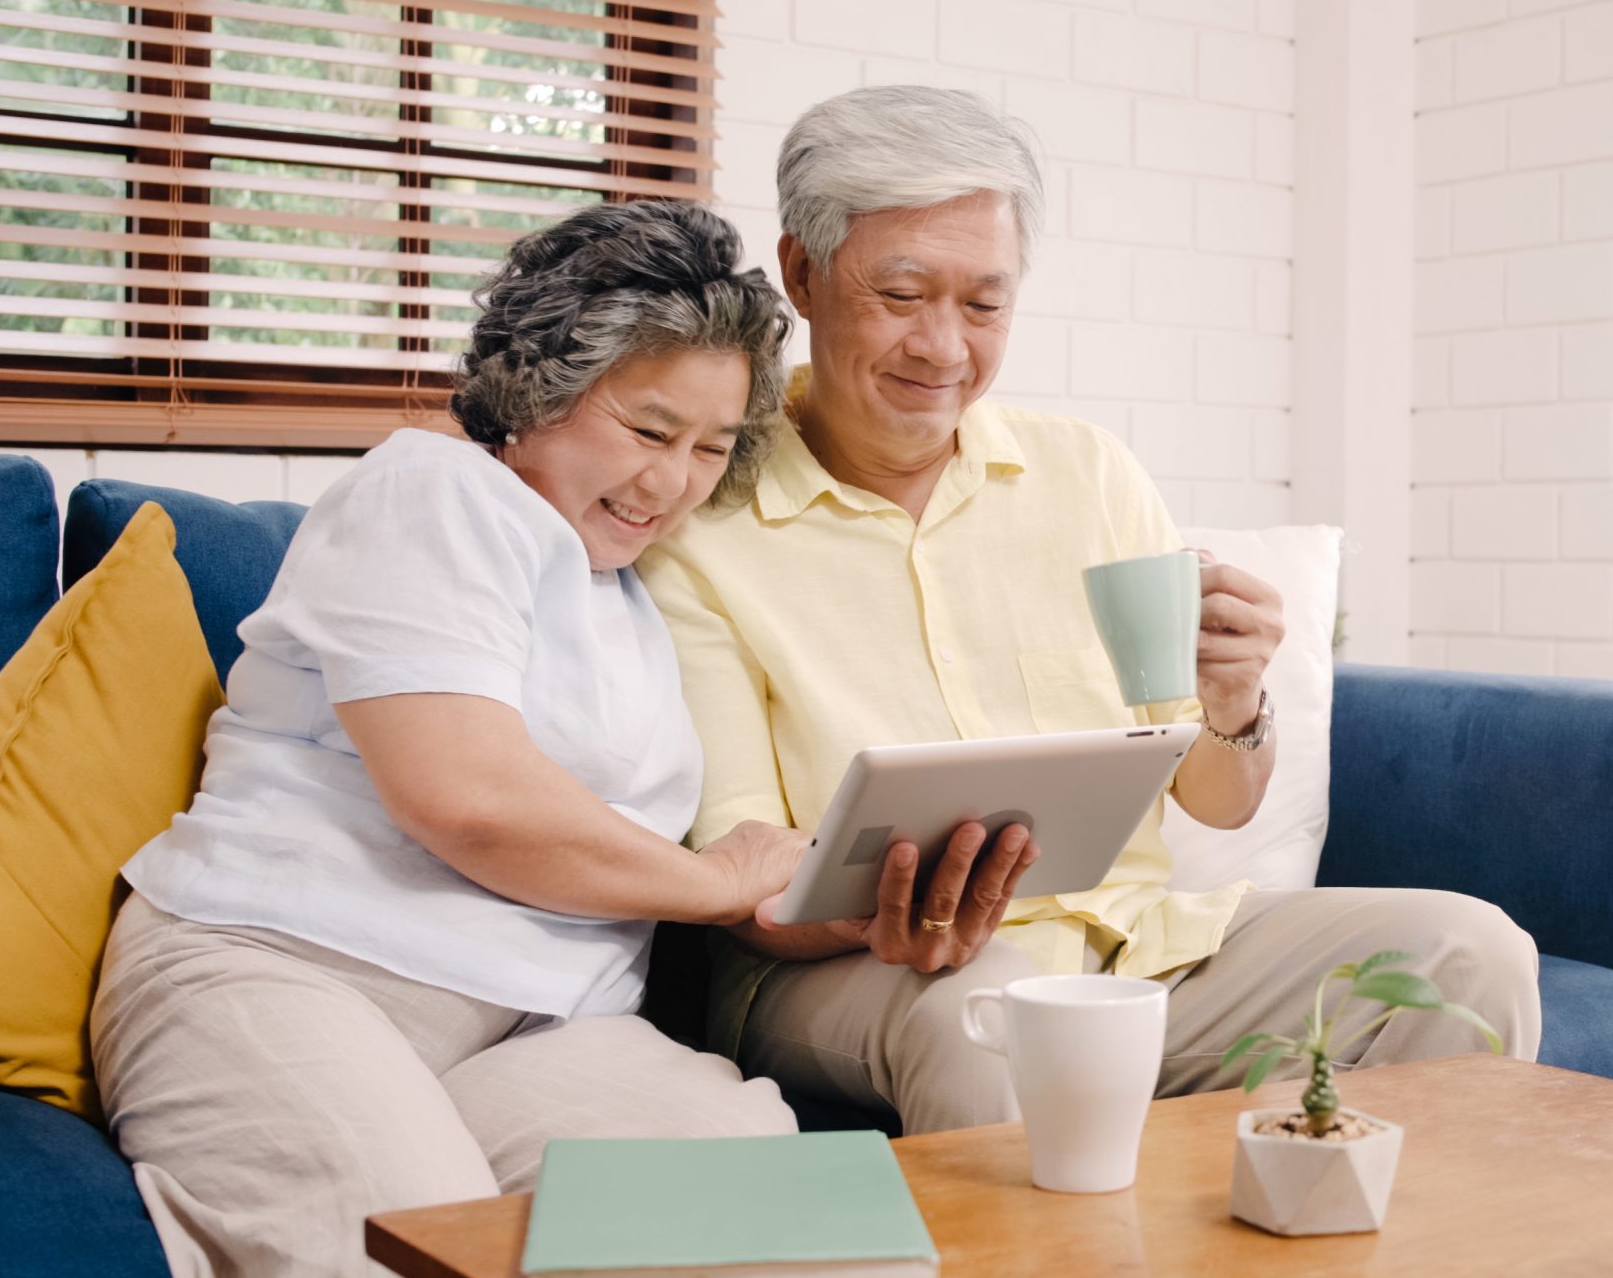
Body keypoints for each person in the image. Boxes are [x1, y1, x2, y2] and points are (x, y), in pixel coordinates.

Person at [638, 85, 1542, 1136]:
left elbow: (1215, 798)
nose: (943, 348)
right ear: (802, 272)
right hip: (863, 970)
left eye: (984, 304)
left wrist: (1233, 700)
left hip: (1137, 943)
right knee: (991, 1015)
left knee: (1470, 951)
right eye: (901, 294)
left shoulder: (1088, 475)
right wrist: (879, 912)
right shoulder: (708, 518)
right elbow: (742, 880)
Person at [90, 200, 811, 1278]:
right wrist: (718, 880)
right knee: (409, 1276)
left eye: (712, 447)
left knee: (757, 1210)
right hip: (287, 969)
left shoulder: (629, 597)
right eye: (647, 428)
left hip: (538, 1029)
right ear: (537, 389)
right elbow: (466, 798)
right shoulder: (434, 492)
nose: (673, 482)